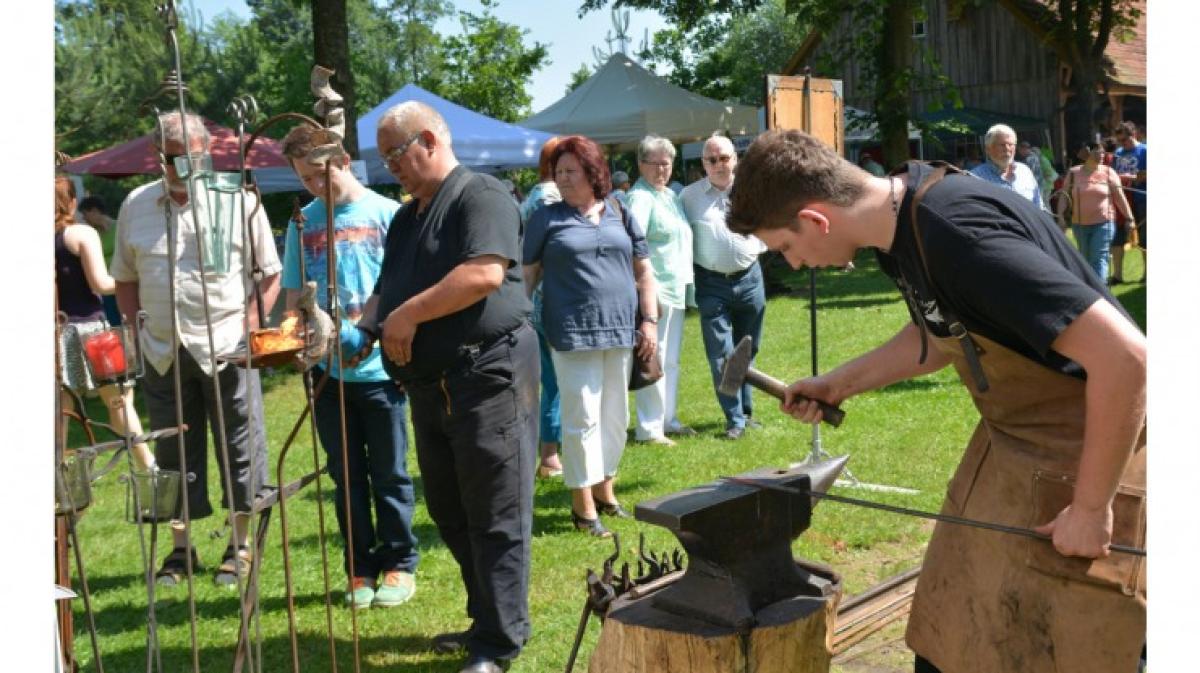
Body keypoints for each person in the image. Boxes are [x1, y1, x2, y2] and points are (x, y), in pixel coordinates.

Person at [727, 129, 1145, 673]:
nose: (797, 263)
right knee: (947, 644)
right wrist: (837, 384)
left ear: (815, 220)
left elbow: (1127, 359)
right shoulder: (899, 231)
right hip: (1012, 454)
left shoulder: (957, 234)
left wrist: (1092, 509)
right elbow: (940, 334)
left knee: (1082, 650)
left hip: (1089, 453)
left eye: (785, 248)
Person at [369, 101, 538, 673]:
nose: (390, 164)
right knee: (450, 508)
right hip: (430, 385)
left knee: (496, 510)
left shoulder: (481, 195)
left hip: (489, 373)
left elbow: (484, 273)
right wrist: (364, 328)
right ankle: (488, 619)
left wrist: (408, 316)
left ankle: (498, 644)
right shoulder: (406, 217)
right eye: (384, 154)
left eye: (395, 151)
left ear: (429, 140)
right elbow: (386, 289)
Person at [112, 111, 281, 586]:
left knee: (241, 445)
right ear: (156, 156)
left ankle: (240, 544)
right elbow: (125, 278)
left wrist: (250, 329)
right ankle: (181, 551)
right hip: (162, 349)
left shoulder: (237, 201)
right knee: (172, 452)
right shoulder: (136, 205)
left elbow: (268, 274)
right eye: (172, 159)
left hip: (227, 345)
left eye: (193, 156)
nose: (183, 167)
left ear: (207, 153)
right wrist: (135, 328)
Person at [279, 123, 420, 609]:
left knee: (390, 473)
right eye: (304, 180)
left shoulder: (388, 214)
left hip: (381, 368)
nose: (314, 187)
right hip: (327, 373)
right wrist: (290, 336)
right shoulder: (302, 223)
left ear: (340, 160)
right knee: (345, 475)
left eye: (319, 175)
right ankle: (359, 567)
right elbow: (294, 293)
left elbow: (406, 287)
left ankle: (400, 563)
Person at [523, 135, 658, 539]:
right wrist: (517, 324)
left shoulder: (620, 210)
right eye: (558, 172)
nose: (561, 179)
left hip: (621, 330)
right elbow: (527, 277)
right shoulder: (545, 219)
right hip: (570, 333)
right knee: (581, 416)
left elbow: (644, 273)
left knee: (616, 418)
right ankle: (583, 509)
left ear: (592, 172)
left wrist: (648, 321)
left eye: (570, 171)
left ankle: (605, 492)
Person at [55, 177, 153, 470]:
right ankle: (149, 468)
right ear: (72, 202)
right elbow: (100, 282)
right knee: (120, 403)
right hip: (92, 331)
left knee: (61, 412)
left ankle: (58, 483)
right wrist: (134, 278)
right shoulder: (81, 233)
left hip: (56, 333)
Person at [680, 135, 767, 440]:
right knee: (721, 354)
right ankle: (734, 419)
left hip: (750, 278)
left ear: (735, 159)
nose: (718, 165)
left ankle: (745, 411)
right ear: (703, 163)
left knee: (747, 348)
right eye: (711, 160)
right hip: (711, 283)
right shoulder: (688, 198)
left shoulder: (751, 191)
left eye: (724, 158)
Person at [627, 134, 694, 445]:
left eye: (667, 163)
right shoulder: (641, 198)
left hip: (676, 287)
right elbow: (634, 246)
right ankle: (649, 428)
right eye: (655, 164)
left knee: (672, 359)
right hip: (655, 289)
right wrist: (644, 293)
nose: (662, 169)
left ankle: (668, 418)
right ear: (641, 165)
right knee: (653, 356)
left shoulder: (668, 195)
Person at [519, 137, 566, 479]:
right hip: (550, 300)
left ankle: (548, 450)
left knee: (550, 379)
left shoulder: (536, 195)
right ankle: (549, 455)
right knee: (554, 381)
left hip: (539, 299)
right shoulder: (549, 197)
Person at [1056, 141, 1135, 283]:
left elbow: (1119, 197)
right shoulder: (1074, 173)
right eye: (1098, 152)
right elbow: (1064, 195)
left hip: (1104, 222)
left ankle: (1101, 292)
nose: (1102, 155)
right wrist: (1060, 216)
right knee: (1086, 259)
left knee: (1099, 257)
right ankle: (1091, 291)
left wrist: (1129, 218)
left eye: (1103, 152)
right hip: (1079, 224)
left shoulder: (1109, 173)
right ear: (1088, 153)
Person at [970, 123, 1045, 208]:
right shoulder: (974, 178)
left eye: (1010, 144)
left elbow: (1038, 206)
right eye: (1002, 145)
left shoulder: (1025, 171)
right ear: (988, 149)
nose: (1007, 149)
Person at [78, 195, 122, 326]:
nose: (84, 219)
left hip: (123, 280)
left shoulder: (120, 227)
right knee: (114, 322)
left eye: (85, 214)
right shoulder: (92, 234)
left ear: (95, 211)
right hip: (106, 284)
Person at [1112, 121, 1147, 281]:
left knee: (1145, 237)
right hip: (1121, 200)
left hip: (1141, 198)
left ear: (1133, 135)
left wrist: (1130, 178)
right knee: (1118, 238)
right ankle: (1117, 275)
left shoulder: (1145, 150)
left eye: (1124, 140)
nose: (1121, 144)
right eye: (1119, 141)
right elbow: (1112, 174)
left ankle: (1147, 274)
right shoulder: (1118, 152)